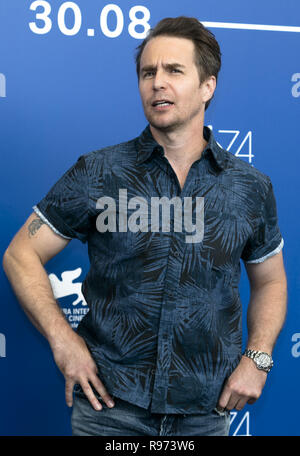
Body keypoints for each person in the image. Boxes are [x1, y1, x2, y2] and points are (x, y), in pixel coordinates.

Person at [3, 16, 287, 436]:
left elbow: (271, 283)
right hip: (109, 409)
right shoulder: (99, 172)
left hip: (206, 413)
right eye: (147, 72)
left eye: (174, 70)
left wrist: (258, 359)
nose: (157, 83)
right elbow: (20, 253)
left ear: (207, 86)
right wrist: (64, 342)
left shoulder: (250, 188)